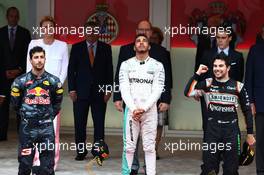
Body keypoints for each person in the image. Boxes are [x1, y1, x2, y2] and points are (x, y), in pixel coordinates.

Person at [114, 20, 172, 175]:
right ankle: (127, 172)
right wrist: (133, 109)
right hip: (131, 112)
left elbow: (158, 89)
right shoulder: (125, 65)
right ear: (134, 46)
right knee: (129, 146)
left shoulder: (158, 65)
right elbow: (124, 88)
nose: (141, 43)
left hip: (150, 111)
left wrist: (144, 108)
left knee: (149, 146)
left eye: (144, 41)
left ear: (149, 46)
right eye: (138, 41)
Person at [184, 54, 255, 174]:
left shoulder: (238, 86)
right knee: (209, 169)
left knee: (231, 170)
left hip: (231, 132)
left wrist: (250, 134)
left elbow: (247, 111)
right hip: (212, 131)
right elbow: (188, 92)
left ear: (228, 68)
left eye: (221, 66)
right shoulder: (207, 83)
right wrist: (197, 73)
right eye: (215, 66)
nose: (217, 68)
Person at [11, 46, 63, 175]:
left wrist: (48, 116)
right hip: (27, 128)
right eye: (36, 57)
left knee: (47, 166)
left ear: (45, 59)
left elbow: (57, 104)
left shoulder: (54, 82)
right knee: (25, 164)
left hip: (47, 128)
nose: (39, 60)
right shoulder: (20, 81)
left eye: (41, 57)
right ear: (30, 60)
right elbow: (15, 105)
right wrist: (28, 115)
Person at [26, 16, 69, 170]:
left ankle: (52, 161)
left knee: (52, 130)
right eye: (45, 27)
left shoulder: (62, 46)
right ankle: (36, 160)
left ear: (54, 28)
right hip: (36, 94)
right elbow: (28, 69)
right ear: (41, 29)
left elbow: (64, 70)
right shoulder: (33, 44)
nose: (48, 29)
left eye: (51, 26)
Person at [67, 21, 113, 161]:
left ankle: (98, 151)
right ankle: (81, 152)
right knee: (80, 124)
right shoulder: (76, 47)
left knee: (99, 124)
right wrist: (72, 89)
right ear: (84, 32)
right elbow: (71, 71)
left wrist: (108, 89)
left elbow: (109, 71)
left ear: (98, 32)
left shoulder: (106, 48)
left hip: (100, 93)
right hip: (80, 93)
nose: (91, 34)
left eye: (94, 31)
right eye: (89, 31)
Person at [0, 6, 31, 141]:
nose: (14, 18)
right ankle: (1, 135)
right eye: (11, 16)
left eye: (16, 16)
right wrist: (4, 72)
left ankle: (22, 134)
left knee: (20, 107)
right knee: (2, 107)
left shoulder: (25, 33)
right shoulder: (0, 33)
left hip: (20, 76)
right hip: (2, 77)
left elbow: (28, 55)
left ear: (18, 17)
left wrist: (19, 69)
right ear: (7, 17)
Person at [150, 26, 170, 160]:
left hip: (160, 94)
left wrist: (167, 97)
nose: (152, 41)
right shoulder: (141, 53)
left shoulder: (164, 53)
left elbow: (168, 77)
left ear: (160, 40)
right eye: (150, 38)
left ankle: (155, 149)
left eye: (155, 39)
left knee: (158, 124)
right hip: (144, 94)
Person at [245, 43, 264, 174]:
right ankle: (261, 170)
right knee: (261, 139)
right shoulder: (255, 50)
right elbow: (248, 78)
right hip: (260, 102)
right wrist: (250, 101)